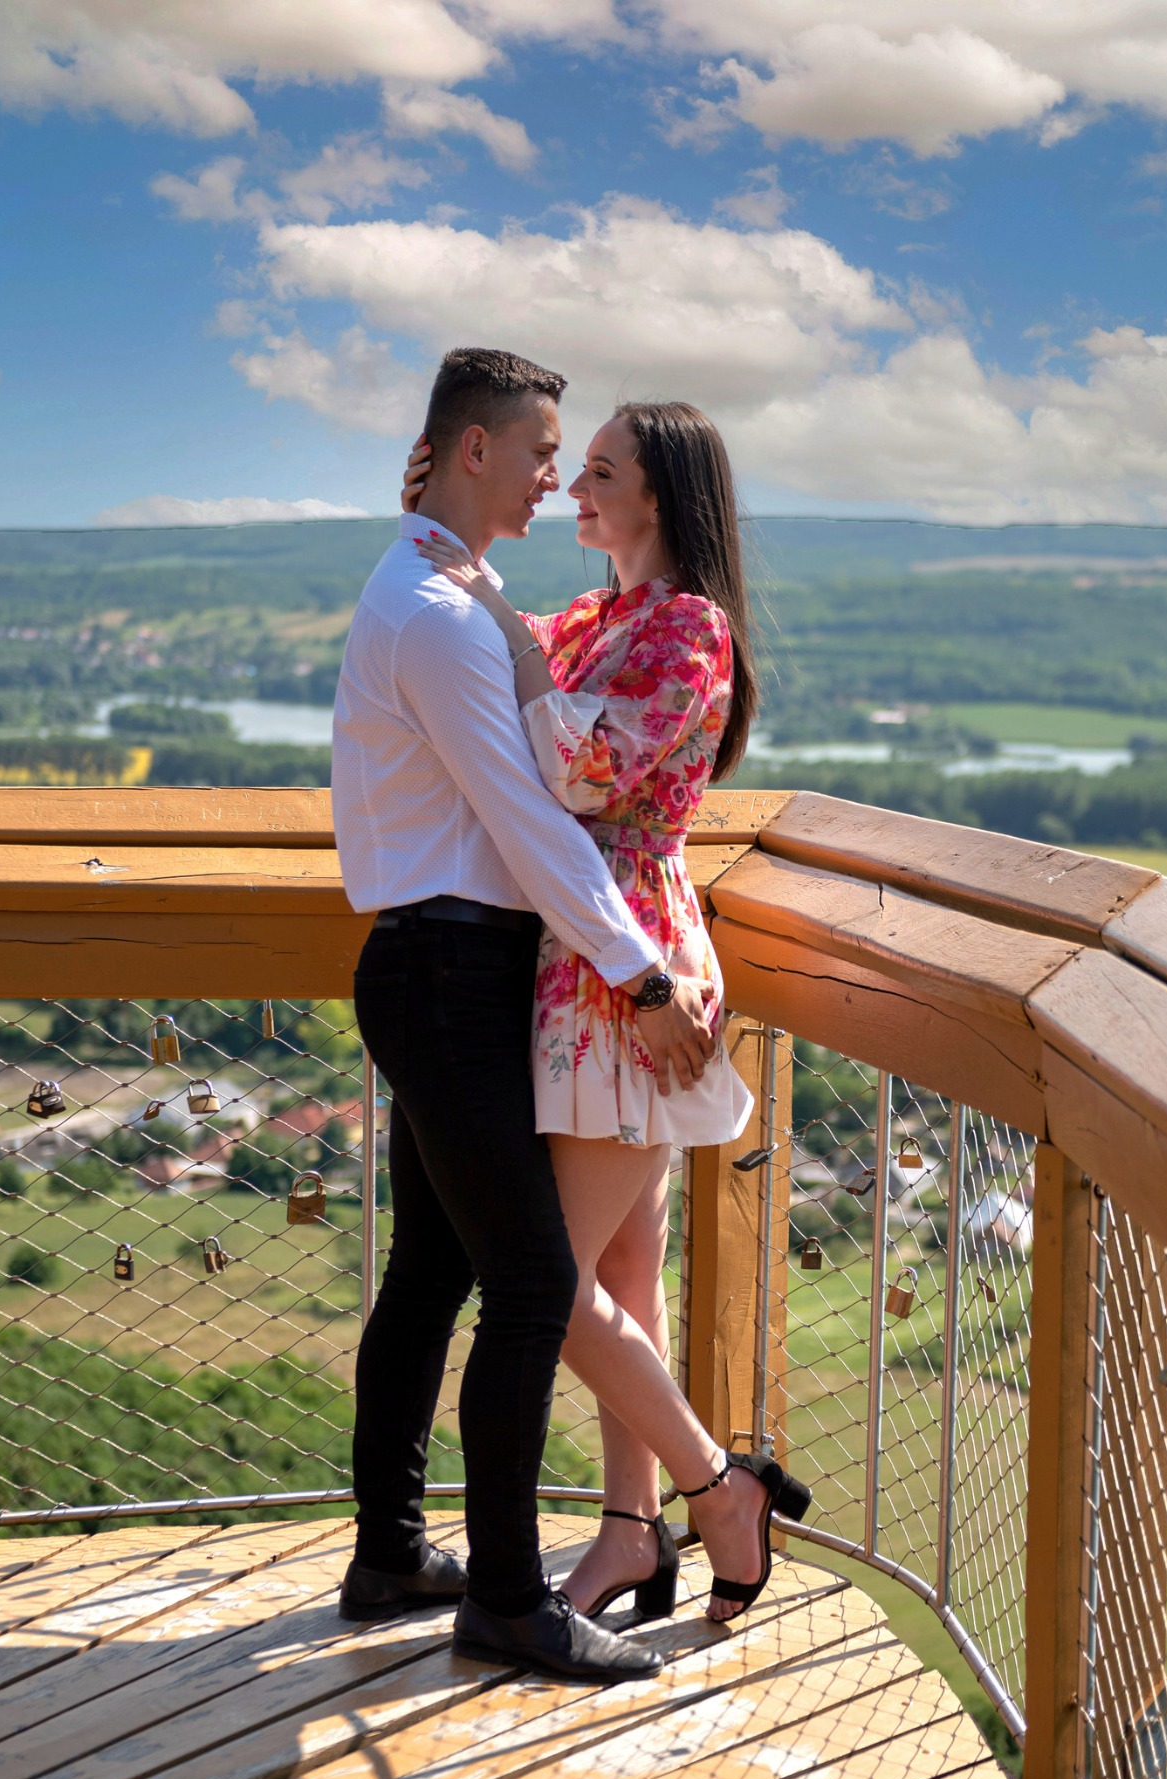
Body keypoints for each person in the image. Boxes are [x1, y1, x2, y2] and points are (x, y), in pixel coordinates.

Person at [332, 347, 722, 1686]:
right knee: (535, 1283)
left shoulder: (446, 588)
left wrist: (431, 519)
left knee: (434, 1272)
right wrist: (645, 979)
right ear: (475, 448)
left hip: (451, 968)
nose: (556, 477)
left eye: (581, 461)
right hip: (451, 972)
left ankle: (391, 1551)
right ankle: (507, 1598)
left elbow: (537, 719)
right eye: (546, 450)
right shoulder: (442, 614)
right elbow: (531, 820)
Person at [406, 399, 811, 1625]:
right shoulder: (594, 617)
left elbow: (583, 768)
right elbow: (490, 665)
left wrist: (507, 638)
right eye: (571, 468)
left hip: (628, 975)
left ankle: (717, 1490)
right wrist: (432, 522)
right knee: (623, 1269)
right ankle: (631, 1532)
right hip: (586, 957)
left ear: (660, 496)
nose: (571, 490)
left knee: (539, 1279)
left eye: (597, 471)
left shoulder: (688, 628)